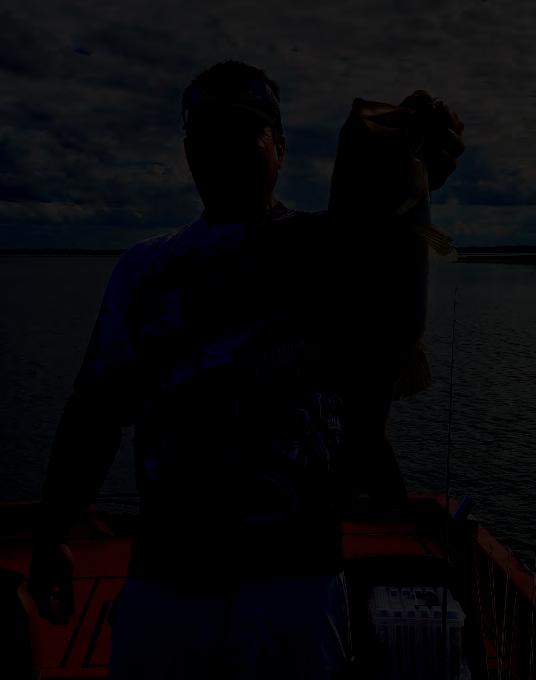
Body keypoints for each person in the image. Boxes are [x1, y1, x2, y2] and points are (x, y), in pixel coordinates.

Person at [27, 60, 464, 678]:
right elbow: (94, 415)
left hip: (299, 577)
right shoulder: (142, 271)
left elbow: (398, 236)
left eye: (244, 132)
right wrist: (52, 533)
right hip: (168, 574)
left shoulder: (330, 248)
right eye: (207, 137)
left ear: (279, 147)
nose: (224, 150)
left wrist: (421, 169)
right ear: (188, 155)